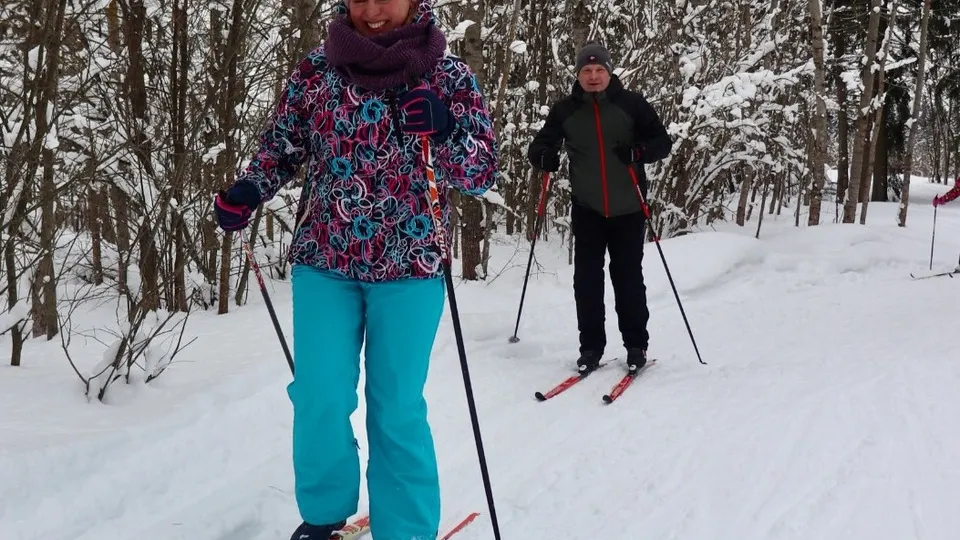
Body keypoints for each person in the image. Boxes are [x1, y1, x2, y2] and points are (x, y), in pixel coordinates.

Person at [213, 1, 498, 538]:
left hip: (412, 263)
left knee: (396, 408)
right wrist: (251, 190)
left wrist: (446, 128)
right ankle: (323, 516)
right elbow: (280, 148)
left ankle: (407, 528)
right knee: (319, 395)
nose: (370, 10)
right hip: (325, 260)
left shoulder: (447, 74)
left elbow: (480, 172)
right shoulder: (317, 69)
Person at [527, 42, 672, 375]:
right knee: (587, 281)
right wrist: (544, 157)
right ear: (578, 75)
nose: (593, 77)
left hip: (629, 207)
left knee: (628, 279)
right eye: (586, 71)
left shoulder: (632, 104)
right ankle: (590, 348)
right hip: (588, 207)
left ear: (610, 71)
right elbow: (540, 145)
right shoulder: (565, 110)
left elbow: (662, 142)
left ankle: (636, 345)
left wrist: (638, 152)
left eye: (599, 70)